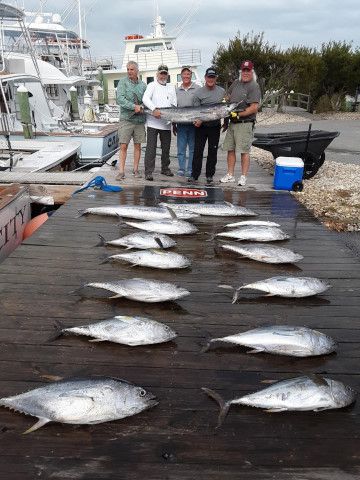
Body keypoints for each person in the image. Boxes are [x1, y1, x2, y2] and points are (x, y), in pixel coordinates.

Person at [220, 60, 261, 186]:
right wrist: (223, 101)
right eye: (244, 70)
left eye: (248, 70)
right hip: (232, 123)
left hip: (245, 122)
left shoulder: (254, 86)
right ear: (241, 71)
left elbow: (254, 107)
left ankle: (243, 176)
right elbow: (227, 95)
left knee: (244, 151)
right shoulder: (236, 83)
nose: (246, 73)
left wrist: (238, 114)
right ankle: (231, 175)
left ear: (252, 71)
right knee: (230, 149)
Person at [188, 67, 225, 184]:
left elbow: (226, 108)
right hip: (201, 127)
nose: (210, 79)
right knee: (198, 151)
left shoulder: (222, 92)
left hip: (215, 126)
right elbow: (195, 111)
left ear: (216, 78)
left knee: (212, 152)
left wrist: (227, 122)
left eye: (213, 77)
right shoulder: (198, 93)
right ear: (205, 78)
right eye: (209, 77)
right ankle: (195, 175)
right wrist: (197, 120)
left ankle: (210, 174)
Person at [142, 64, 177, 181]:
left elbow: (174, 103)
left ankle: (165, 168)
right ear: (157, 74)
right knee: (151, 148)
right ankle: (148, 172)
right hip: (153, 123)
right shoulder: (152, 85)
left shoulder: (171, 87)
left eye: (165, 73)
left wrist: (173, 118)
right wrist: (153, 109)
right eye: (161, 73)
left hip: (166, 124)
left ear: (167, 75)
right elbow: (145, 99)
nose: (163, 76)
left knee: (166, 148)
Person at [116, 61, 147, 180]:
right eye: (128, 69)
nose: (129, 71)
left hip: (139, 120)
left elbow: (146, 100)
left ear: (137, 70)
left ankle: (135, 170)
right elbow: (120, 99)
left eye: (132, 69)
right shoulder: (122, 83)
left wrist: (142, 107)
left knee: (137, 145)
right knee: (123, 145)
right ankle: (121, 171)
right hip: (126, 119)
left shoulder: (143, 85)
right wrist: (134, 107)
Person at [173, 66, 199, 177]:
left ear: (191, 75)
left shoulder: (198, 88)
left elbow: (201, 106)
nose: (186, 76)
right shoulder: (176, 90)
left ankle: (191, 169)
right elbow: (174, 107)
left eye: (188, 74)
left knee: (193, 148)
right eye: (184, 74)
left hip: (194, 124)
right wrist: (174, 124)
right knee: (181, 148)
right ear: (181, 76)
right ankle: (181, 168)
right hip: (181, 124)